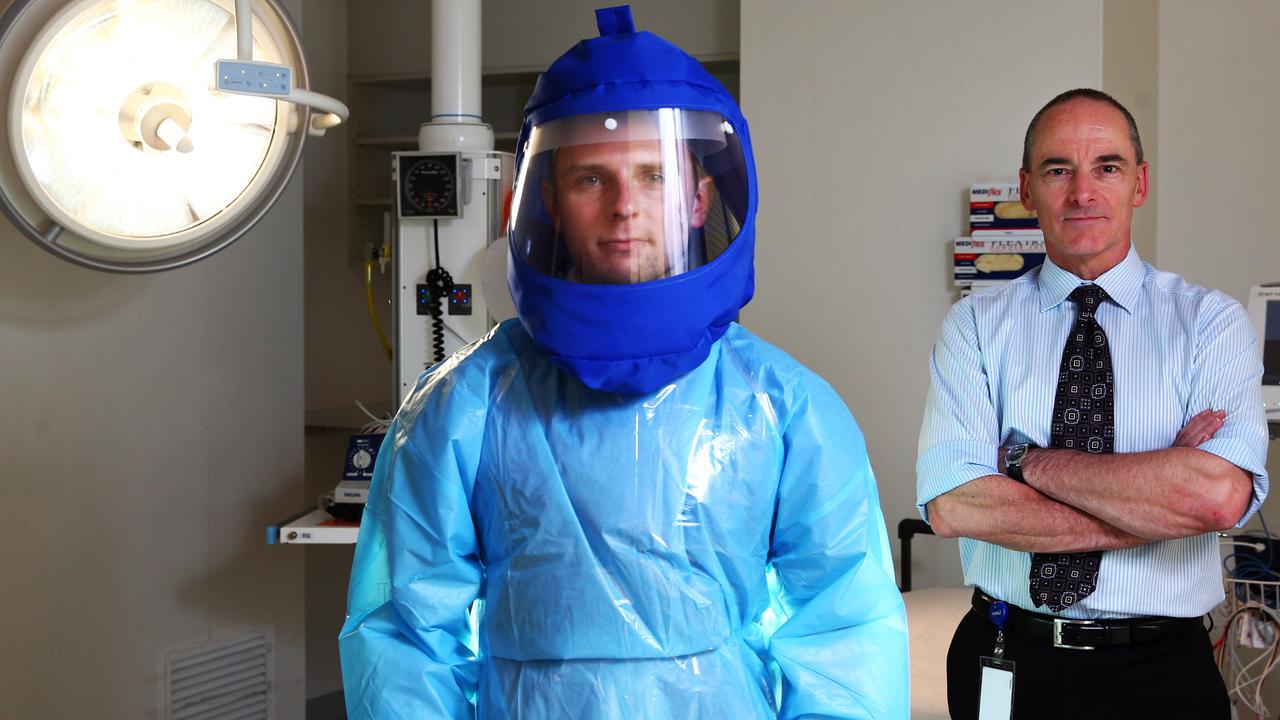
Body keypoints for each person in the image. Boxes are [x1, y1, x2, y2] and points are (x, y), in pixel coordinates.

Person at [339, 6, 909, 719]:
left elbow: (844, 633)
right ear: (545, 201)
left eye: (652, 176)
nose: (624, 209)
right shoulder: (463, 405)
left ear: (701, 199)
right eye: (589, 180)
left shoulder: (783, 407)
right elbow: (404, 641)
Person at [916, 87, 1270, 720]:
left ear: (1139, 183)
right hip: (1007, 656)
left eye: (1106, 167)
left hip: (1162, 670)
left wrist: (1024, 461)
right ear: (1027, 189)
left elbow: (1216, 498)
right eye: (1059, 170)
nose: (1082, 192)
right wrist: (1154, 497)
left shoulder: (1209, 323)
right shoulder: (972, 325)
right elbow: (954, 504)